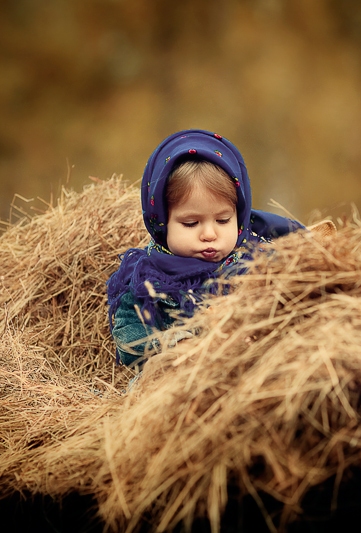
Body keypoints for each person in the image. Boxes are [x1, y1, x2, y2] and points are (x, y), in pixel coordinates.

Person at [106, 129, 304, 367]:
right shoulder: (148, 281)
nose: (209, 234)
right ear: (161, 223)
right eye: (191, 223)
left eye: (223, 221)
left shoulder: (257, 265)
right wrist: (177, 344)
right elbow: (129, 340)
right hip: (179, 379)